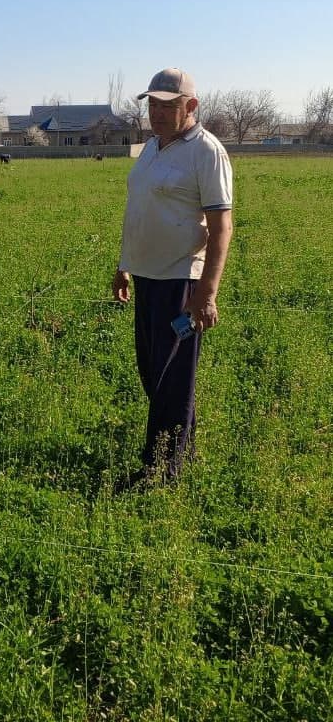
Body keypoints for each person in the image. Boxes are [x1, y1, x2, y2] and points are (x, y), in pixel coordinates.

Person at [112, 68, 233, 488]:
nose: (158, 113)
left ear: (191, 106)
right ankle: (184, 450)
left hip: (181, 280)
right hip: (147, 276)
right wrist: (123, 265)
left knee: (170, 377)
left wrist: (207, 293)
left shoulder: (206, 151)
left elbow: (222, 227)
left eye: (169, 105)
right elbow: (138, 210)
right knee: (153, 372)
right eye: (153, 105)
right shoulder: (150, 149)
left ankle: (160, 470)